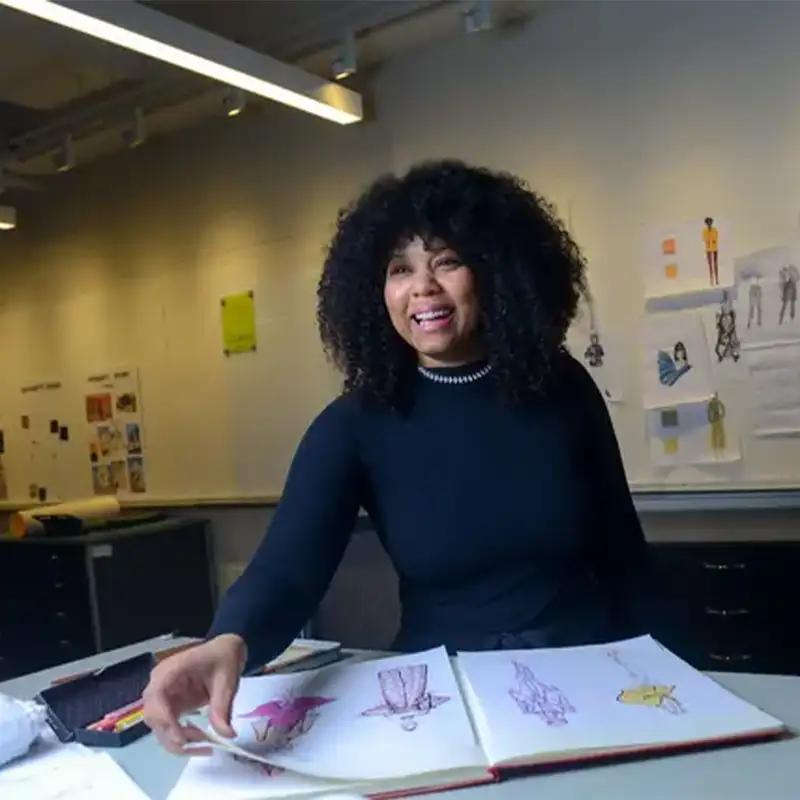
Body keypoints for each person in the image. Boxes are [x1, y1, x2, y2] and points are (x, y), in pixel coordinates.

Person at [143, 160, 677, 755]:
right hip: (441, 702)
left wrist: (690, 680)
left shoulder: (563, 386)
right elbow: (286, 571)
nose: (423, 287)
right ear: (377, 293)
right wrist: (229, 641)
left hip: (591, 680)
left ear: (496, 272)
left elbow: (625, 554)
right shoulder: (352, 426)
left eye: (447, 261)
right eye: (400, 269)